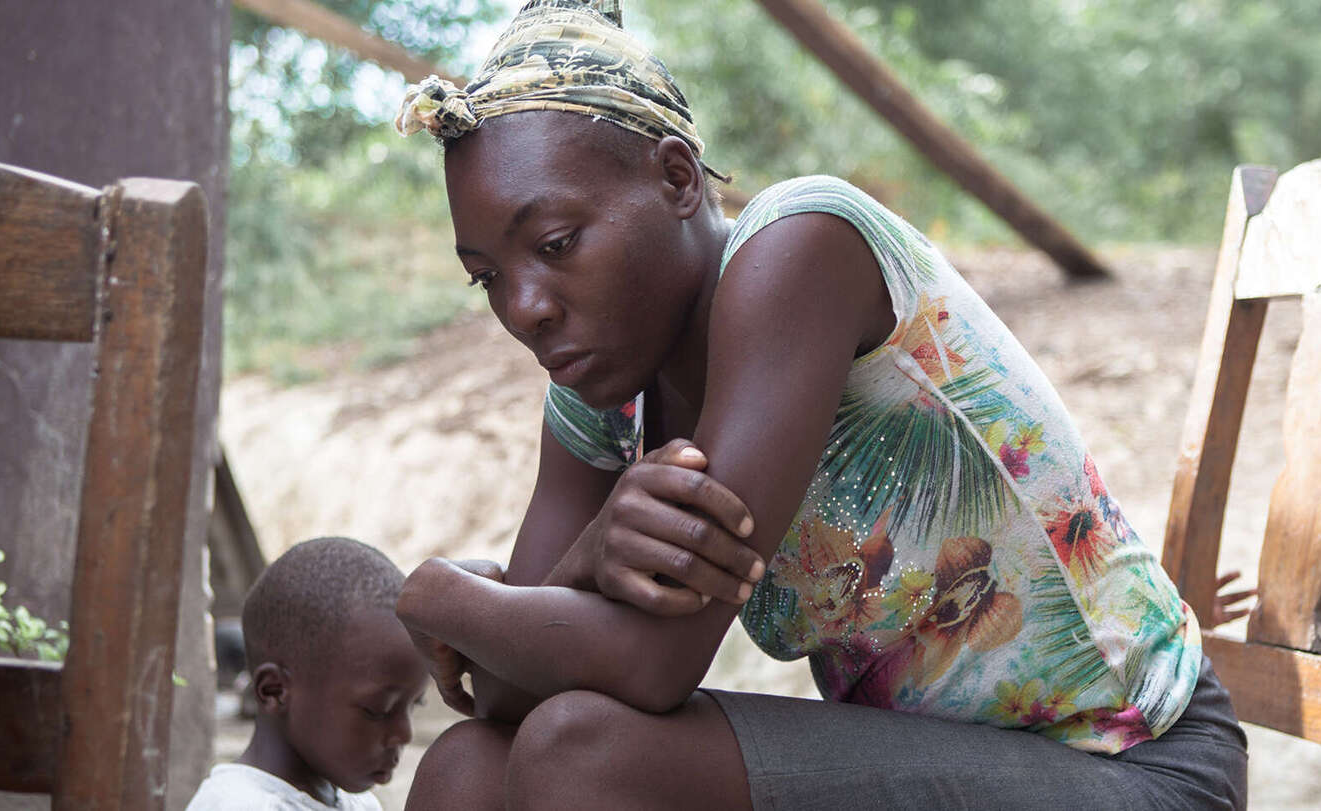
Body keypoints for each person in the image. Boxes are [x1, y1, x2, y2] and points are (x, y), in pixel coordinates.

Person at [391, 1, 1250, 808]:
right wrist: (589, 550)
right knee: (466, 769)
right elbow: (499, 690)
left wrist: (435, 595)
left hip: (1131, 766)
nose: (526, 307)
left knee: (582, 753)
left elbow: (653, 666)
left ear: (679, 177)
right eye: (488, 277)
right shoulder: (600, 394)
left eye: (555, 245)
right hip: (940, 762)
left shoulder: (801, 251)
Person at [186, 537, 431, 811]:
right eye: (378, 710)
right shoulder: (240, 806)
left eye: (413, 706)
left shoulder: (360, 804)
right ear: (275, 691)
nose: (405, 734)